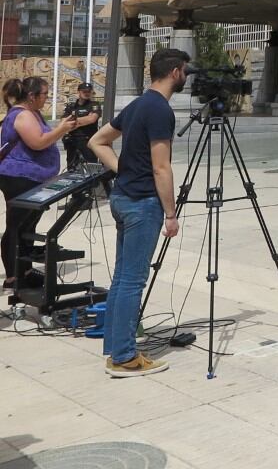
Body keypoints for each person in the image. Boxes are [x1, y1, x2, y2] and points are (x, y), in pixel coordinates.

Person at [85, 48, 189, 378]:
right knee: (133, 280)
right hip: (143, 203)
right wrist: (170, 214)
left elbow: (97, 141)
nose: (186, 76)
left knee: (122, 278)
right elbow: (162, 168)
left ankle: (116, 348)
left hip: (123, 197)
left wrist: (123, 170)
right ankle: (126, 357)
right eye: (184, 70)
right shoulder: (159, 110)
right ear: (175, 72)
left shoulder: (138, 105)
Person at [1, 77, 87, 290]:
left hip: (32, 178)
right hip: (19, 177)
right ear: (31, 96)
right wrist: (62, 129)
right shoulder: (22, 115)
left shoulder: (31, 113)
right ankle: (14, 276)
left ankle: (25, 270)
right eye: (44, 95)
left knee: (28, 225)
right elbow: (38, 142)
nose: (46, 99)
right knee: (17, 226)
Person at [61, 82, 102, 169]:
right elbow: (63, 122)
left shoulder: (94, 105)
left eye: (89, 91)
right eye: (84, 91)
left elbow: (92, 119)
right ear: (78, 92)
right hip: (73, 142)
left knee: (92, 169)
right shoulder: (71, 106)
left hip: (88, 141)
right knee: (71, 169)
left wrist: (74, 120)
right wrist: (85, 119)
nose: (87, 93)